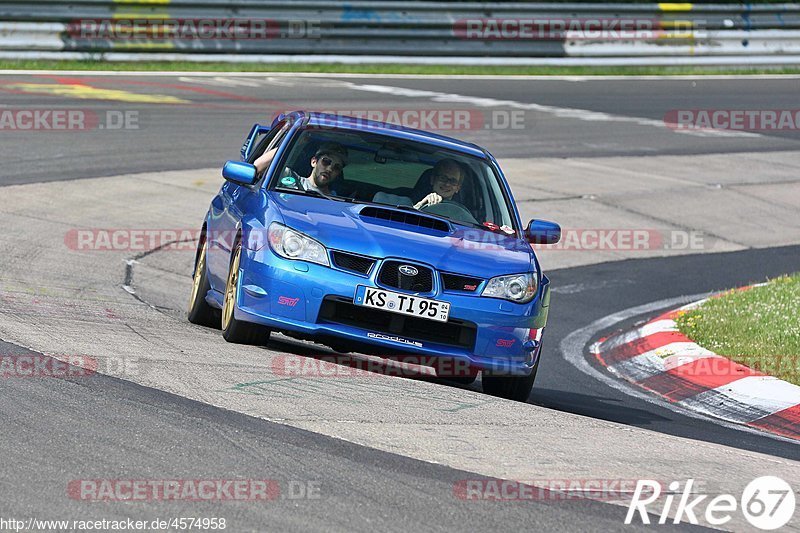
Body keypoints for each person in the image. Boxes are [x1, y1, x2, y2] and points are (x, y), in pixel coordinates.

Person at [254, 142, 348, 196]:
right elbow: (258, 166)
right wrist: (292, 144)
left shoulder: (337, 200)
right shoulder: (291, 177)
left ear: (338, 173)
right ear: (314, 162)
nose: (329, 169)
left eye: (336, 167)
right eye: (326, 161)